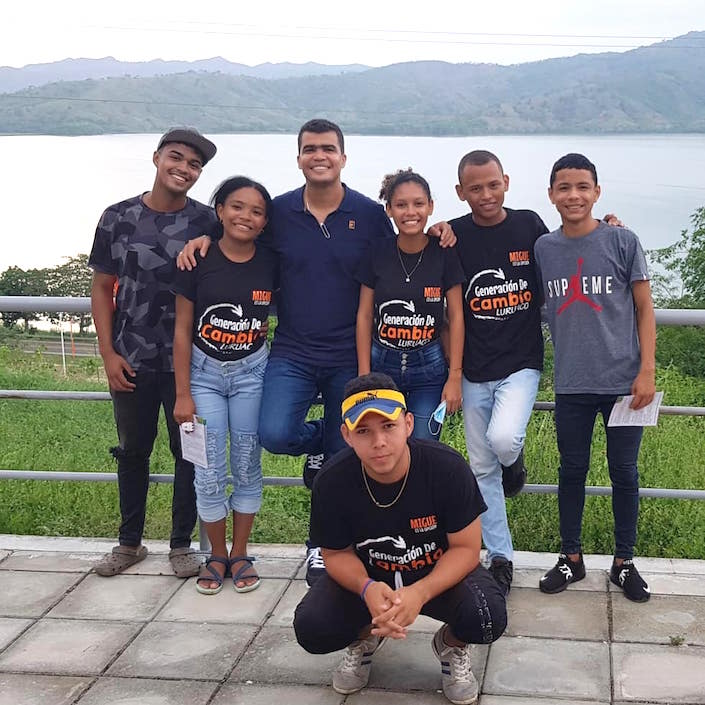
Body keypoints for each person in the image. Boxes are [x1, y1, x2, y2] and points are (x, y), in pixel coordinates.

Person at [178, 118, 455, 586]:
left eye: (328, 148)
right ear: (300, 156)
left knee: (341, 460)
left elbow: (406, 251)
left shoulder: (368, 215)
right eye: (310, 149)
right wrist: (204, 237)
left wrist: (443, 231)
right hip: (292, 352)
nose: (319, 155)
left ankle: (320, 551)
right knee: (274, 432)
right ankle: (318, 443)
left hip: (349, 353)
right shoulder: (279, 212)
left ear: (344, 158)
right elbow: (237, 234)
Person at [293, 372, 507, 705]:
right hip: (371, 578)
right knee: (312, 627)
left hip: (434, 575)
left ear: (408, 424)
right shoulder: (332, 480)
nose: (378, 442)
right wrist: (366, 589)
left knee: (488, 615)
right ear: (346, 435)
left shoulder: (446, 467)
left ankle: (451, 645)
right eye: (364, 431)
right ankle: (364, 638)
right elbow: (335, 554)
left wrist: (420, 592)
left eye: (388, 427)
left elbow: (467, 549)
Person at [89, 127, 217, 577]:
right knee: (133, 450)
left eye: (194, 164)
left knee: (189, 453)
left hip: (191, 362)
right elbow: (102, 288)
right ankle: (128, 544)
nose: (183, 168)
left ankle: (180, 545)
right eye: (176, 158)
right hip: (131, 358)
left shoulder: (207, 222)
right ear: (157, 158)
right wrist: (107, 353)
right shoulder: (117, 217)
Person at [535, 153, 656, 603]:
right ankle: (572, 557)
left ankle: (624, 562)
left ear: (597, 192)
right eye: (564, 188)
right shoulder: (544, 248)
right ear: (551, 195)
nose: (573, 196)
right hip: (572, 385)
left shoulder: (623, 241)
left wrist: (646, 371)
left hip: (624, 384)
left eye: (582, 187)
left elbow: (644, 308)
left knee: (624, 472)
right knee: (573, 470)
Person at [448, 150, 548, 595]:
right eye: (475, 188)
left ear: (505, 181)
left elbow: (569, 251)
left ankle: (516, 459)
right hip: (473, 368)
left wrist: (608, 230)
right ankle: (501, 556)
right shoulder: (453, 236)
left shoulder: (528, 225)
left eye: (493, 185)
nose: (485, 195)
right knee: (481, 468)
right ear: (461, 192)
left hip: (521, 361)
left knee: (504, 439)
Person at [172, 176, 276, 594]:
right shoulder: (197, 259)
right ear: (220, 211)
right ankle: (216, 554)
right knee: (209, 469)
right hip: (204, 375)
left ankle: (240, 552)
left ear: (266, 222)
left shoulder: (271, 262)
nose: (245, 216)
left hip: (253, 373)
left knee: (248, 464)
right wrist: (183, 393)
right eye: (237, 206)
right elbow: (182, 330)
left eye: (256, 211)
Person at [356, 169, 465, 439]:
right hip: (382, 363)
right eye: (401, 205)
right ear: (389, 210)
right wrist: (364, 375)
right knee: (382, 443)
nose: (410, 212)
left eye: (418, 203)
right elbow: (365, 315)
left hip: (429, 367)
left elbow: (457, 317)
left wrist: (454, 377)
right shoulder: (377, 252)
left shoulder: (444, 251)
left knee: (423, 443)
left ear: (430, 206)